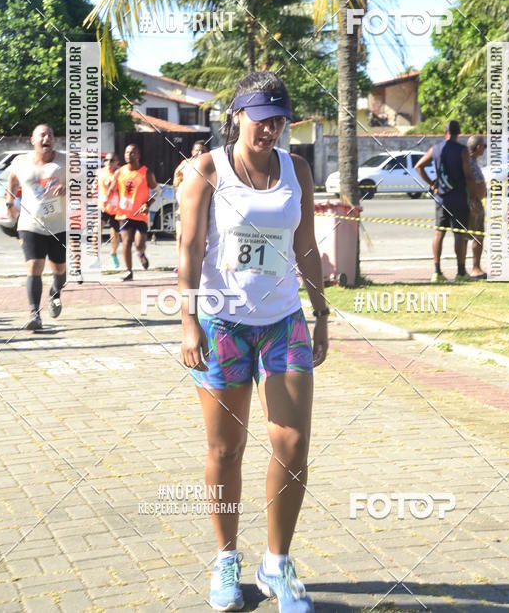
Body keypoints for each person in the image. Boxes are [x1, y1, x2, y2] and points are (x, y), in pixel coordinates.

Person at [179, 71, 328, 613]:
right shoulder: (207, 170)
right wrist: (188, 320)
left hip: (283, 321)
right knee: (226, 449)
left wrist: (321, 311)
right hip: (222, 326)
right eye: (262, 118)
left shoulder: (297, 168)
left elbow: (305, 245)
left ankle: (277, 563)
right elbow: (189, 248)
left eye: (279, 120)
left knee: (292, 444)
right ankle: (225, 559)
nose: (271, 129)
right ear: (238, 115)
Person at [5, 124, 66, 331]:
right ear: (33, 140)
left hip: (59, 226)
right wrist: (10, 203)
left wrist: (67, 188)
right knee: (34, 266)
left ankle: (55, 291)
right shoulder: (21, 162)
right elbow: (12, 181)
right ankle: (35, 314)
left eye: (50, 135)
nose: (47, 138)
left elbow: (83, 184)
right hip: (30, 224)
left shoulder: (65, 162)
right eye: (42, 135)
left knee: (59, 269)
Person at [415, 120, 476, 283]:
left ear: (445, 132)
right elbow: (468, 175)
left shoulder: (435, 149)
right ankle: (461, 272)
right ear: (459, 133)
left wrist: (432, 184)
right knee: (459, 234)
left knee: (439, 233)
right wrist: (474, 197)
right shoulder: (462, 150)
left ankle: (437, 272)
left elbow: (418, 166)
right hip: (459, 197)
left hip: (441, 198)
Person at [115, 144, 159, 281]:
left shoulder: (146, 172)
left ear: (138, 155)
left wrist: (147, 204)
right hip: (124, 214)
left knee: (139, 244)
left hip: (140, 214)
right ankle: (128, 271)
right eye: (127, 152)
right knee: (127, 241)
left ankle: (141, 254)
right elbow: (112, 189)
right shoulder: (120, 172)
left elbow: (157, 191)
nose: (129, 155)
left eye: (132, 152)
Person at [173, 141, 206, 271]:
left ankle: (200, 262)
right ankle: (181, 263)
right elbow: (176, 180)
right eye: (197, 150)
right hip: (183, 209)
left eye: (203, 151)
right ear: (192, 152)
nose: (200, 153)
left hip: (201, 209)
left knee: (199, 238)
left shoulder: (209, 166)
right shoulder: (185, 164)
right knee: (180, 236)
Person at [466, 135, 487, 279]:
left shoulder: (472, 162)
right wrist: (473, 200)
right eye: (484, 146)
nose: (485, 149)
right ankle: (471, 268)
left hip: (476, 202)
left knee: (478, 236)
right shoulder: (469, 163)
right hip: (473, 204)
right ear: (478, 147)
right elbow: (469, 184)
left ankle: (476, 267)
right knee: (469, 236)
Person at [97, 152, 120, 269]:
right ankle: (96, 257)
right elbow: (95, 186)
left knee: (114, 234)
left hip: (116, 208)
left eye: (112, 160)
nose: (108, 163)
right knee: (96, 230)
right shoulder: (100, 172)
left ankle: (113, 253)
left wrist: (112, 192)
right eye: (106, 160)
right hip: (103, 206)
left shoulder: (119, 173)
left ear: (117, 162)